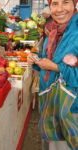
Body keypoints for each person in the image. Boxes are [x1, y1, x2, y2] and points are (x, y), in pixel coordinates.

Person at [27, 0, 78, 149]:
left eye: (65, 2)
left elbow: (54, 65)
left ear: (74, 4)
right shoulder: (52, 29)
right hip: (50, 101)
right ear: (49, 7)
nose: (60, 9)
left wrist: (55, 67)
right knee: (51, 143)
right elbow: (49, 58)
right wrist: (36, 57)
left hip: (69, 108)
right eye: (55, 4)